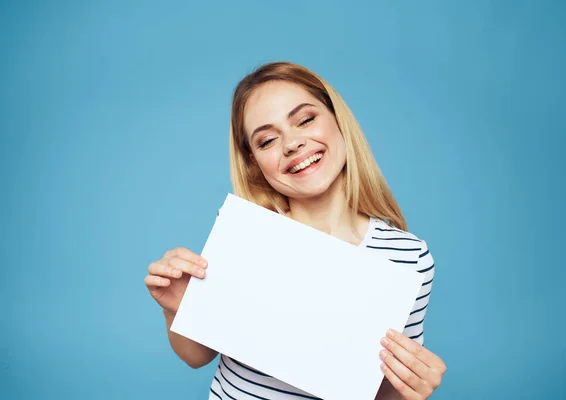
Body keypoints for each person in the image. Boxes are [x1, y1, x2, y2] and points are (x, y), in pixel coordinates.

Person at [145, 62, 446, 399]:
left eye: (305, 120)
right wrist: (175, 308)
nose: (292, 144)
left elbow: (376, 391)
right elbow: (197, 356)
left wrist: (410, 389)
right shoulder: (245, 234)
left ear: (338, 121)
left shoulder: (408, 257)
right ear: (254, 161)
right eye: (267, 140)